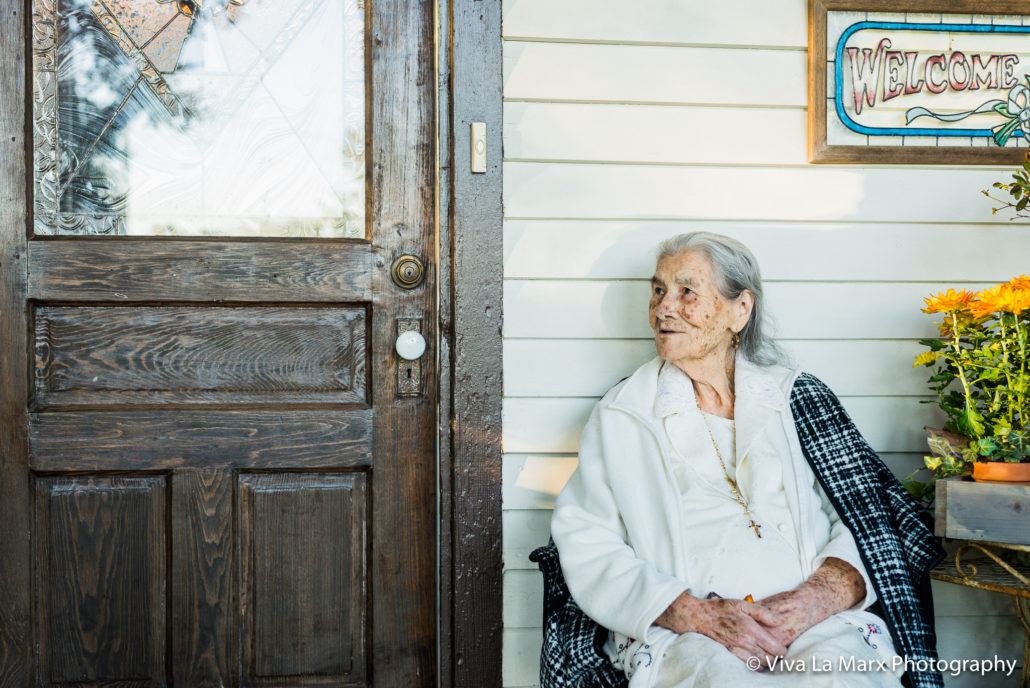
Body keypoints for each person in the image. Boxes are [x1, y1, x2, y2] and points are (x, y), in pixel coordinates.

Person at [550, 232, 945, 688]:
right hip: (691, 635)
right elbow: (587, 540)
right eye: (658, 290)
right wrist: (691, 612)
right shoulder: (625, 414)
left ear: (741, 310)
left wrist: (814, 600)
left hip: (814, 624)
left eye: (686, 291)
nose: (663, 308)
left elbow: (866, 519)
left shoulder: (795, 397)